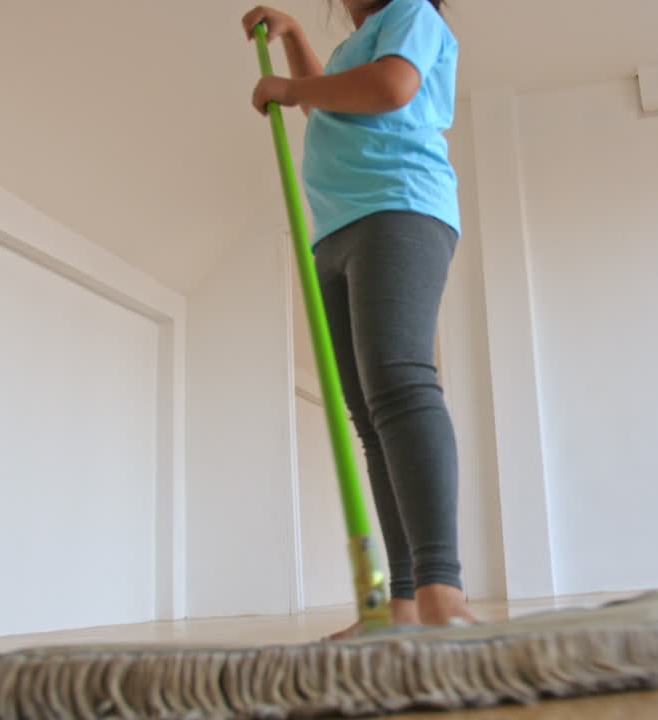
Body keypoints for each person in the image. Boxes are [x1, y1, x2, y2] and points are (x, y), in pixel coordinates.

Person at [242, 0, 475, 636]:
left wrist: (290, 87)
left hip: (399, 207)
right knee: (369, 416)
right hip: (337, 229)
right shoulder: (354, 47)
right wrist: (293, 44)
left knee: (400, 382)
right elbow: (329, 102)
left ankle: (441, 593)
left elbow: (390, 87)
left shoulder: (411, 14)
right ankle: (398, 605)